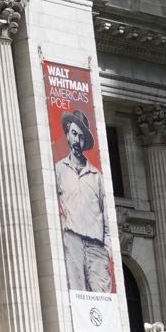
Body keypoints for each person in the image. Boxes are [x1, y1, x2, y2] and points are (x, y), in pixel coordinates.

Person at [54, 109, 114, 293]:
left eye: (81, 137)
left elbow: (106, 213)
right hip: (72, 240)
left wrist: (108, 246)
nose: (77, 141)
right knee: (76, 292)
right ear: (67, 133)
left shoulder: (97, 175)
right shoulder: (58, 169)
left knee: (103, 298)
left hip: (97, 245)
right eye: (73, 134)